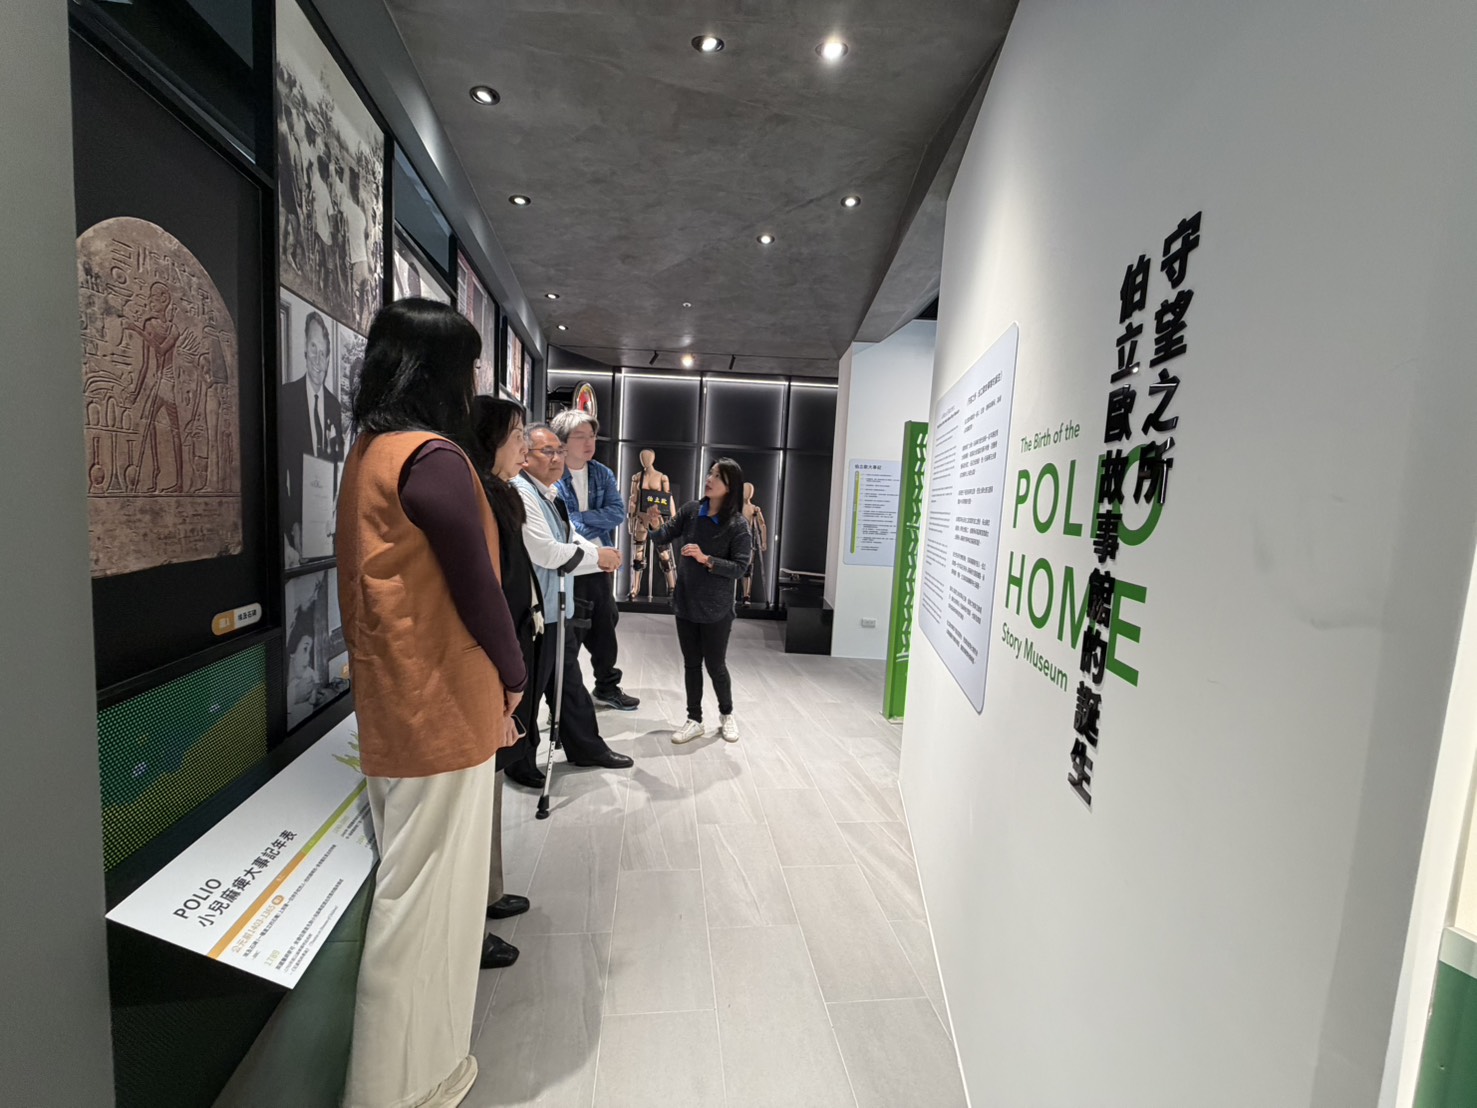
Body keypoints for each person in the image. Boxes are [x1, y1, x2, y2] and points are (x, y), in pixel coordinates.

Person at [337, 298, 527, 1108]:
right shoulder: (433, 457)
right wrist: (514, 673)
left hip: (398, 705)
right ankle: (396, 1087)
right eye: (470, 365)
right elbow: (478, 589)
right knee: (423, 915)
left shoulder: (370, 453)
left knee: (417, 902)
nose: (474, 381)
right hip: (442, 709)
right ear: (441, 370)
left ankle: (425, 1069)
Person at [468, 395, 540, 970]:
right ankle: (470, 921)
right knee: (473, 804)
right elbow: (487, 593)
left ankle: (488, 894)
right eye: (518, 437)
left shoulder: (502, 495)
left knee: (488, 792)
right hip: (489, 667)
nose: (527, 449)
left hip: (508, 656)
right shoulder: (478, 498)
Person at [519, 424, 635, 770]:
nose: (556, 458)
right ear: (524, 456)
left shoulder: (551, 492)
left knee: (569, 681)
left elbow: (583, 528)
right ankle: (520, 761)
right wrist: (598, 557)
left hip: (556, 606)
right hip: (536, 610)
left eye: (558, 451)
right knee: (532, 688)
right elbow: (547, 551)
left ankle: (587, 748)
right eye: (548, 451)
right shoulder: (521, 492)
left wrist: (599, 554)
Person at [645, 458, 753, 744]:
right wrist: (655, 525)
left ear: (730, 487)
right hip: (686, 602)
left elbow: (740, 568)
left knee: (716, 665)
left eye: (717, 477)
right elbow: (664, 536)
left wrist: (706, 559)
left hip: (717, 608)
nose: (709, 479)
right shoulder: (692, 511)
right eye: (710, 473)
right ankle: (694, 719)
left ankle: (727, 714)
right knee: (691, 664)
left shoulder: (738, 525)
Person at [550, 410, 639, 710]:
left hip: (601, 565)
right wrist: (584, 523)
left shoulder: (602, 473)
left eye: (592, 436)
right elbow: (563, 527)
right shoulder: (554, 474)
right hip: (571, 566)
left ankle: (606, 686)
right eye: (581, 437)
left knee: (605, 626)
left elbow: (617, 512)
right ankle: (562, 702)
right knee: (571, 635)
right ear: (562, 441)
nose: (589, 443)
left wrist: (580, 519)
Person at [280, 310, 344, 563]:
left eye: (323, 353)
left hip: (327, 529)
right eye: (313, 348)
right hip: (295, 530)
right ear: (305, 349)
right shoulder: (286, 397)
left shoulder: (334, 406)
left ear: (328, 359)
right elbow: (278, 470)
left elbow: (337, 465)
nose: (318, 359)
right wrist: (291, 522)